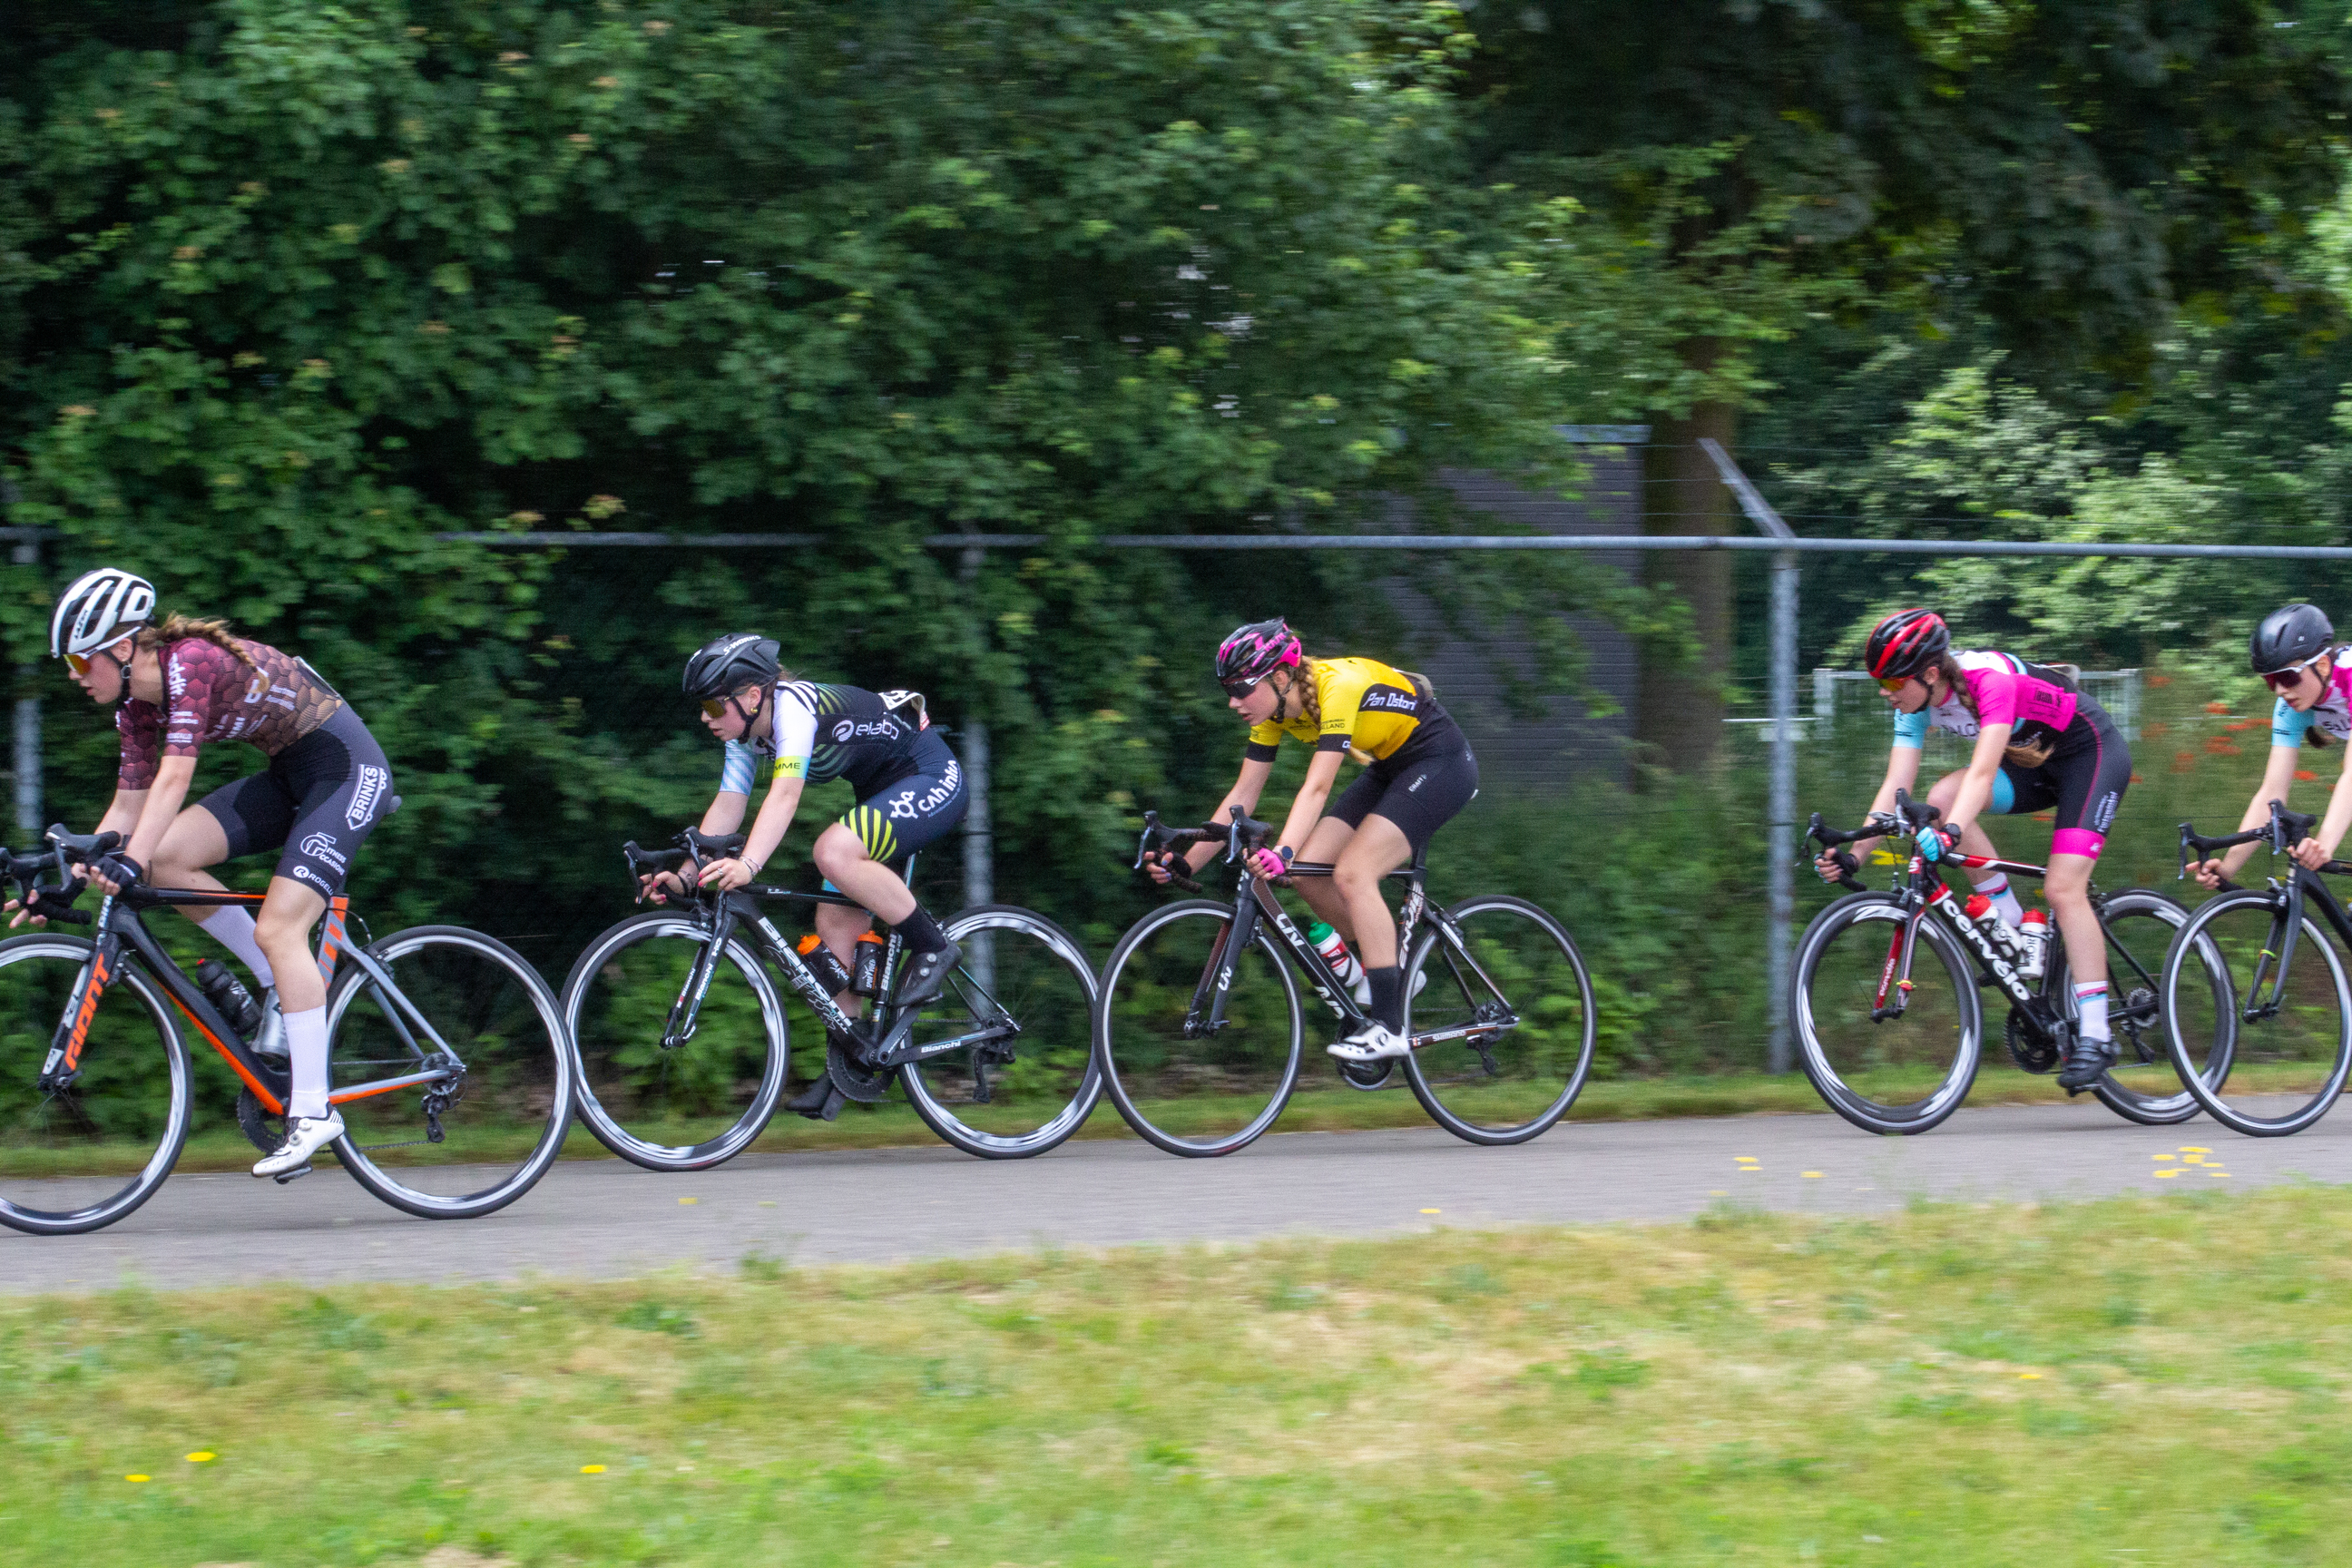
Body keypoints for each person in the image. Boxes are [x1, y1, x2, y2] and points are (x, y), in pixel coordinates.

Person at [25, 567, 396, 1177]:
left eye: (78, 657)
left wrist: (126, 858)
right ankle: (275, 984)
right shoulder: (135, 709)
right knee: (167, 856)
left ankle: (312, 1109)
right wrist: (69, 873)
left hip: (347, 769)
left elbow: (175, 779)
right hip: (290, 774)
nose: (71, 672)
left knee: (281, 930)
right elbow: (127, 810)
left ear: (121, 648)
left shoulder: (186, 663)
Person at [1818, 608, 2133, 1092]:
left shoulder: (1990, 681)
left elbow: (1982, 775)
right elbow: (1897, 786)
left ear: (1928, 673)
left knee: (2063, 887)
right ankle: (2008, 925)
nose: (1885, 691)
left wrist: (1951, 832)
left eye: (1891, 680)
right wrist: (1856, 854)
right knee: (1939, 799)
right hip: (2032, 766)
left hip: (2089, 755)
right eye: (1878, 679)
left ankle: (2096, 1033)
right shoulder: (1914, 704)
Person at [1147, 619, 1480, 1063]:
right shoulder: (1272, 711)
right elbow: (1242, 796)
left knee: (1354, 872)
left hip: (1440, 761)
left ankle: (1388, 1025)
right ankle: (1390, 970)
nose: (1233, 702)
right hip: (1389, 767)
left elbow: (1317, 788)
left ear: (1280, 677)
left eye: (1242, 688)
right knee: (1307, 872)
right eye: (1228, 689)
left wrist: (1280, 851)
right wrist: (1187, 864)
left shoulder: (1334, 688)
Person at [663, 633, 965, 1115]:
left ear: (752, 695)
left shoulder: (794, 709)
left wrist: (748, 864)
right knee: (833, 927)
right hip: (882, 790)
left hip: (928, 774)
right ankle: (849, 1061)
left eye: (713, 706)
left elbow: (785, 795)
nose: (705, 717)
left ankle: (934, 947)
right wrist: (683, 875)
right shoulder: (747, 735)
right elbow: (729, 806)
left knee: (832, 851)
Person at [2189, 602, 2352, 889]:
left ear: (2323, 665)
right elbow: (2272, 794)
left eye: (2288, 677)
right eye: (2271, 680)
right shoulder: (2289, 708)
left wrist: (2323, 843)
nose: (2280, 690)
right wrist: (2227, 868)